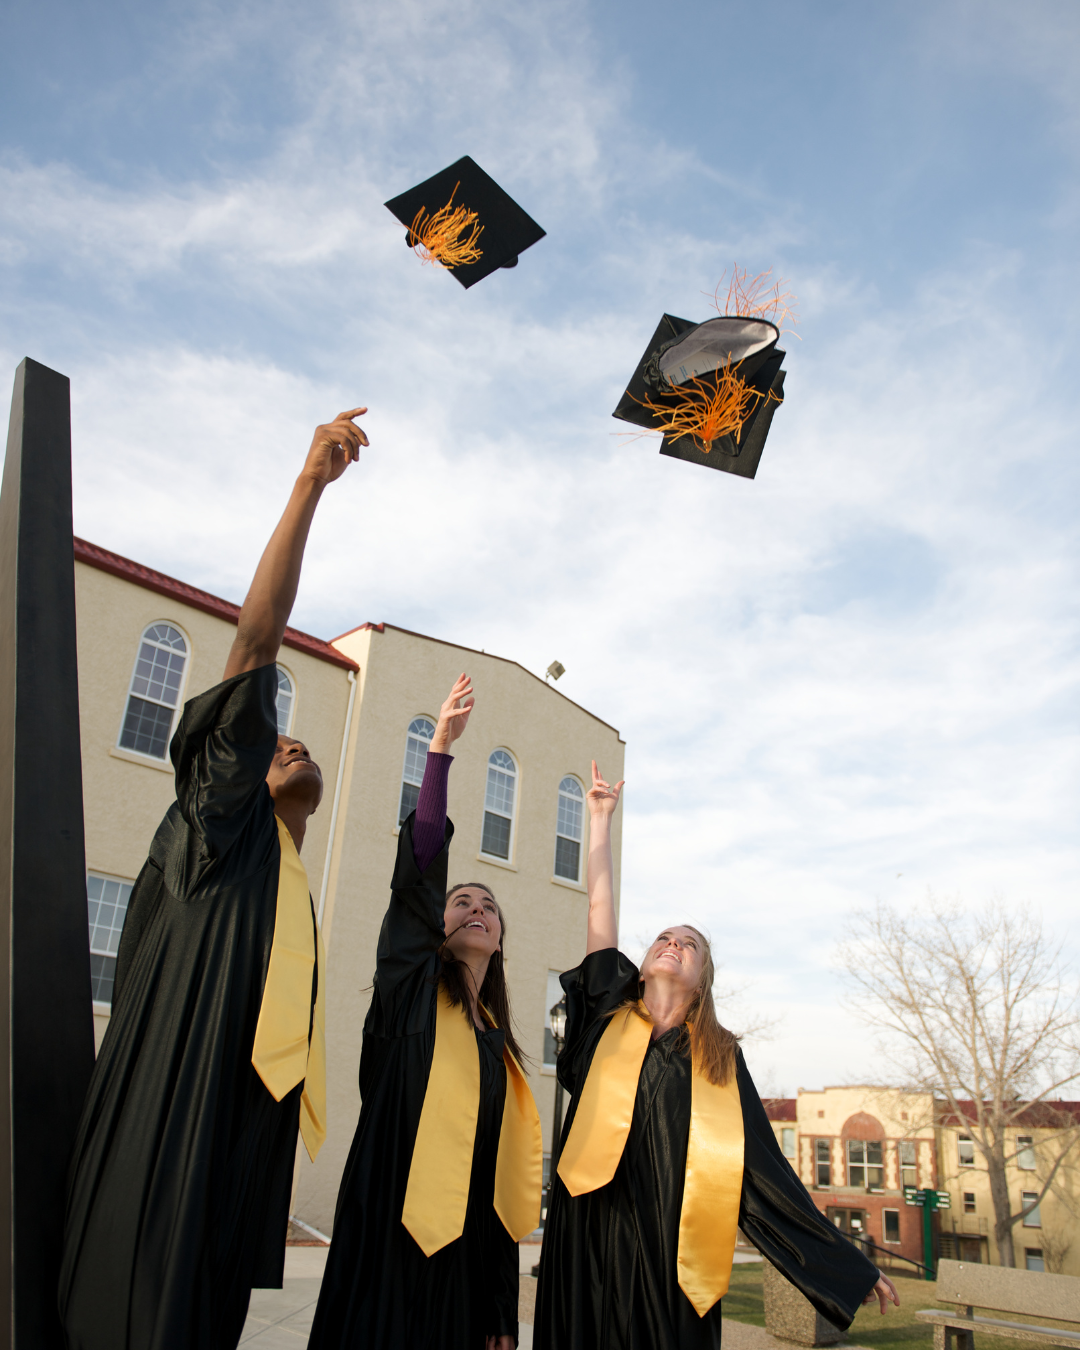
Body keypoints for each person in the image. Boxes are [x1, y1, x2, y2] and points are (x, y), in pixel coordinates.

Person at [59, 407, 368, 1350]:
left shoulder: (290, 895)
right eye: (275, 743)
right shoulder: (216, 829)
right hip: (171, 1103)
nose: (291, 743)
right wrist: (309, 484)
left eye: (300, 744)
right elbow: (253, 650)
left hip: (246, 1133)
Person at [533, 762, 900, 1350]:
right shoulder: (609, 1015)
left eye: (690, 944)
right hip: (588, 1233)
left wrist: (849, 1267)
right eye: (665, 937)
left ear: (702, 978)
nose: (673, 944)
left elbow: (763, 1169)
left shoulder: (718, 1060)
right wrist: (599, 821)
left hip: (670, 1248)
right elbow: (599, 920)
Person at [308, 673, 542, 1350]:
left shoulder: (502, 1055)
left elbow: (499, 1181)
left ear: (497, 942)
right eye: (461, 901)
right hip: (386, 1233)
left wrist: (502, 1307)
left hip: (467, 1261)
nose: (475, 907)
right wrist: (439, 749)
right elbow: (418, 868)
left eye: (489, 906)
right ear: (436, 929)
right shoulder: (406, 991)